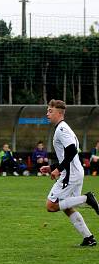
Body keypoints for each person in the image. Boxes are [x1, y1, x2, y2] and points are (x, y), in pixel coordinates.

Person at [39, 99, 99, 247]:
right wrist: (53, 166)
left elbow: (72, 151)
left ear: (59, 113)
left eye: (50, 111)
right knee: (66, 207)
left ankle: (87, 198)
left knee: (51, 205)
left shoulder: (62, 129)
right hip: (74, 172)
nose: (47, 113)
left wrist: (58, 169)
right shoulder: (63, 128)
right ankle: (89, 238)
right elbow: (69, 155)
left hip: (70, 174)